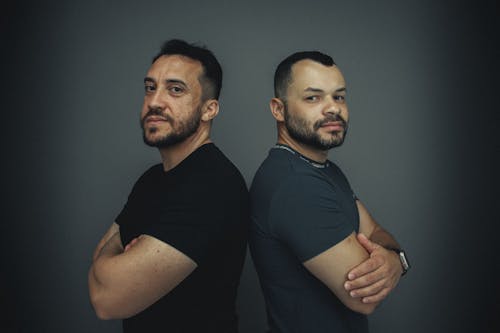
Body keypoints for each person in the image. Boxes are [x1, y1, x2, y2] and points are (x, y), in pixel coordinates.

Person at [88, 39, 249, 333]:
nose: (154, 102)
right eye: (150, 87)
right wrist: (116, 259)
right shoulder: (151, 179)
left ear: (209, 109)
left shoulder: (213, 185)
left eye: (175, 89)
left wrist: (119, 251)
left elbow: (106, 298)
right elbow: (101, 277)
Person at [249, 51, 410, 333]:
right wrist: (394, 260)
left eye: (339, 96)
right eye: (313, 97)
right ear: (278, 109)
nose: (333, 108)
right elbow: (364, 298)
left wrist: (396, 259)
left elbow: (374, 232)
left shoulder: (324, 170)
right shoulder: (294, 184)